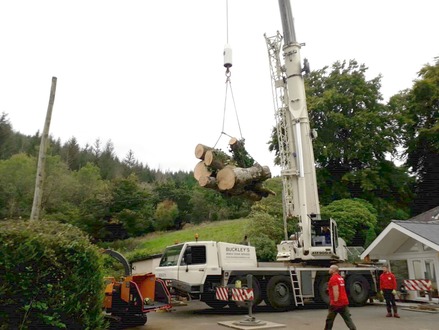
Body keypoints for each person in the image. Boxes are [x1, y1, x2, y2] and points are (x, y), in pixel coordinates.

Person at [324, 265, 357, 330]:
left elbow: (336, 290)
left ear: (334, 270)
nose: (329, 269)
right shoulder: (340, 278)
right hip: (344, 302)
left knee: (329, 320)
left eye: (330, 268)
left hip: (336, 303)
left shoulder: (333, 278)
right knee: (348, 319)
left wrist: (335, 302)